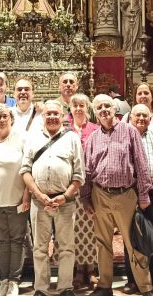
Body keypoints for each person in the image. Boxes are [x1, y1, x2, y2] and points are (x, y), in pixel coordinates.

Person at [82, 94, 153, 296]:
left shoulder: (129, 131)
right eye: (99, 107)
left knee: (134, 244)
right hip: (100, 195)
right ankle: (105, 286)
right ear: (95, 112)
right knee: (102, 242)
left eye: (107, 106)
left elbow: (141, 164)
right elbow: (87, 170)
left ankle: (145, 287)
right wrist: (86, 197)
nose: (104, 110)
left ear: (115, 109)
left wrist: (143, 195)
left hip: (125, 195)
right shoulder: (93, 138)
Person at [21, 100, 84, 296]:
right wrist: (39, 195)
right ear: (43, 116)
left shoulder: (72, 138)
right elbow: (25, 171)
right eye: (48, 114)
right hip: (39, 203)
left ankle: (65, 287)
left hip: (65, 203)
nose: (52, 117)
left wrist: (65, 196)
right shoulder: (32, 138)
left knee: (66, 247)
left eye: (56, 113)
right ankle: (41, 288)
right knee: (40, 248)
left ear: (63, 116)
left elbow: (79, 174)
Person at [0, 104, 30, 296]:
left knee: (17, 240)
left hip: (17, 198)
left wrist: (27, 193)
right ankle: (4, 279)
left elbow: (29, 166)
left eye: (5, 116)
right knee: (2, 241)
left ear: (11, 118)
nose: (1, 120)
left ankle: (14, 280)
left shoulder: (21, 138)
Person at [123, 104, 153, 296]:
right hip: (130, 195)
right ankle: (133, 280)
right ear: (130, 117)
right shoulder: (123, 134)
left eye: (145, 115)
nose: (141, 118)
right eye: (137, 115)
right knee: (130, 237)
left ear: (150, 118)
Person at [66, 93, 99, 289]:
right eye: (75, 105)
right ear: (70, 108)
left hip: (92, 186)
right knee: (75, 229)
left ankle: (92, 268)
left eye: (82, 105)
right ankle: (79, 268)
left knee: (92, 227)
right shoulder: (65, 130)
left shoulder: (95, 129)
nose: (79, 108)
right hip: (71, 186)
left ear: (88, 108)